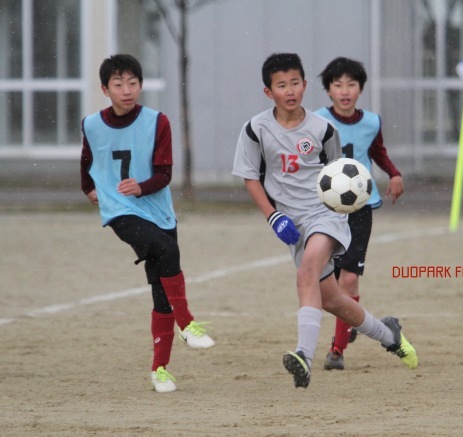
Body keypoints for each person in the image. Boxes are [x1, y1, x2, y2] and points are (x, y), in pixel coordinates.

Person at [232, 52, 418, 389]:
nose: (289, 91)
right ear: (268, 91)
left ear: (304, 85)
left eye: (294, 83)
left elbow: (338, 174)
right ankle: (389, 334)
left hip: (326, 215)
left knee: (307, 273)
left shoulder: (322, 129)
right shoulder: (255, 129)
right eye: (280, 85)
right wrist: (273, 216)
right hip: (291, 224)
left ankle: (303, 355)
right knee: (332, 300)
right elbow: (250, 178)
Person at [80, 54, 215, 394]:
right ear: (104, 89)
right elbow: (87, 161)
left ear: (140, 84)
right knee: (165, 249)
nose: (127, 90)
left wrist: (142, 186)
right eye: (118, 84)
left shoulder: (158, 121)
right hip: (120, 210)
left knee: (160, 290)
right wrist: (90, 189)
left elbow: (165, 174)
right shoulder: (92, 124)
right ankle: (187, 323)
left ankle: (160, 370)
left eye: (133, 83)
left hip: (158, 210)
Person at [314, 57, 404, 371]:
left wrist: (393, 173)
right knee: (328, 284)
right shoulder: (316, 122)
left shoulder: (371, 122)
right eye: (337, 85)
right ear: (328, 91)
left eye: (351, 84)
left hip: (360, 209)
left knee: (348, 279)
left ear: (360, 89)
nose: (344, 90)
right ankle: (350, 321)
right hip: (324, 211)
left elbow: (377, 150)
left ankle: (337, 351)